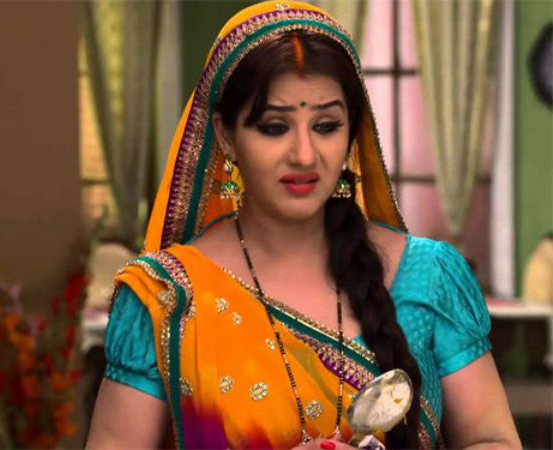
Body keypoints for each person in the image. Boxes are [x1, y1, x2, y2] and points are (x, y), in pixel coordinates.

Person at [85, 2, 520, 449]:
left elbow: (494, 440)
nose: (305, 155)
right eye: (275, 128)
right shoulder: (168, 297)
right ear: (227, 135)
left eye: (326, 126)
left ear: (352, 132)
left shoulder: (428, 276)